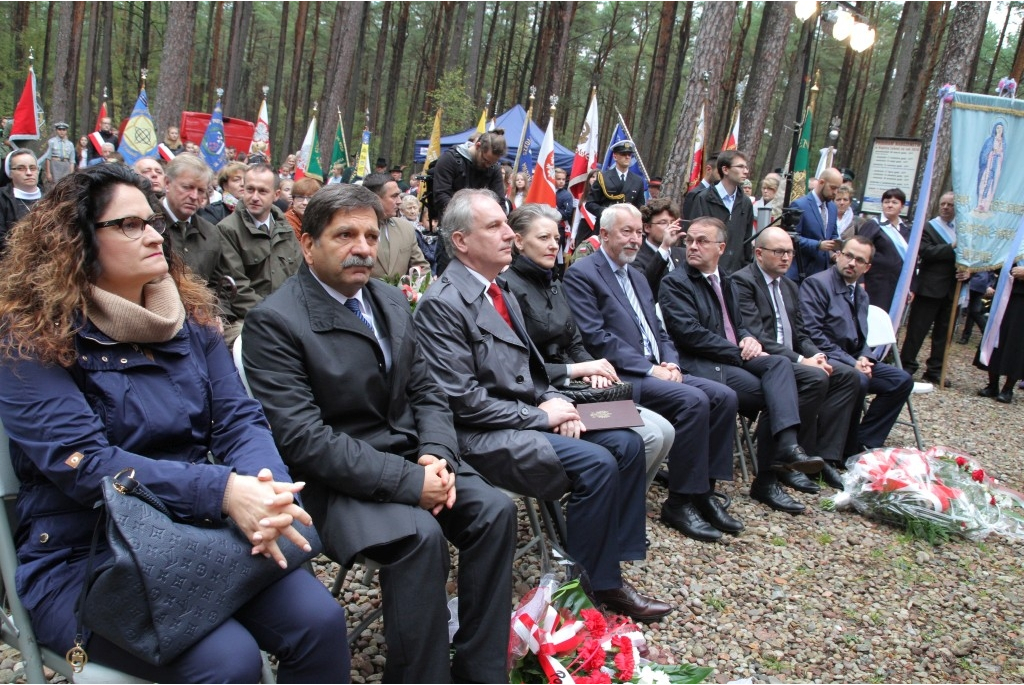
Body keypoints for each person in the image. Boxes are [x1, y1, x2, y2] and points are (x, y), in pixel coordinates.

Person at [0, 164, 348, 683]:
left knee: (320, 622)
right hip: (86, 553)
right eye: (129, 225)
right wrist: (224, 492)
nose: (153, 234)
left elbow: (239, 420)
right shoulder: (30, 337)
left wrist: (267, 492)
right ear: (76, 240)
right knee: (228, 661)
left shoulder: (187, 319)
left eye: (151, 221)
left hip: (200, 531)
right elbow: (85, 465)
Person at [242, 184, 514, 682]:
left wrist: (436, 455)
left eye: (371, 234)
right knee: (420, 537)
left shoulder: (387, 299)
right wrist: (412, 483)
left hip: (413, 457)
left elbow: (427, 391)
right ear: (308, 244)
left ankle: (480, 669)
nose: (363, 247)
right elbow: (303, 439)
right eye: (345, 234)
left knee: (495, 512)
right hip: (335, 483)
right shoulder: (275, 322)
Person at [416, 189, 672, 621]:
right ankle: (589, 589)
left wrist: (555, 399)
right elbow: (458, 400)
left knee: (627, 438)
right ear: (460, 241)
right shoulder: (443, 304)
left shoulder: (498, 290)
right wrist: (541, 416)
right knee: (596, 463)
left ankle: (608, 566)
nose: (507, 235)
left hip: (528, 413)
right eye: (495, 226)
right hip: (484, 434)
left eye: (506, 224)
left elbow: (534, 370)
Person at [563, 203, 742, 542]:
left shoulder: (639, 276)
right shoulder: (584, 273)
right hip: (619, 376)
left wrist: (671, 362)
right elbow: (596, 337)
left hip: (658, 368)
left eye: (638, 232)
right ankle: (678, 502)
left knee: (724, 396)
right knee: (694, 401)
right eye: (625, 232)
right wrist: (650, 368)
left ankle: (703, 491)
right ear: (603, 235)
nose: (635, 239)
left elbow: (659, 330)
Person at [658, 217, 835, 511]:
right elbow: (690, 335)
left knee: (802, 375)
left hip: (734, 357)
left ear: (721, 247)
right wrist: (739, 351)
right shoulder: (676, 282)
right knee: (778, 389)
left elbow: (739, 325)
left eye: (702, 241)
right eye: (689, 240)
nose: (692, 246)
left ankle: (787, 448)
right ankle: (768, 476)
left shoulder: (725, 279)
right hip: (706, 363)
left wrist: (749, 339)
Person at [500, 204, 675, 492]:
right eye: (543, 238)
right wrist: (579, 369)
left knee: (665, 431)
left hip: (576, 388)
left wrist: (595, 371)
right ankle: (607, 510)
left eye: (556, 239)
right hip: (542, 395)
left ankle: (624, 511)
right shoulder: (507, 289)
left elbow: (577, 342)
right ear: (519, 241)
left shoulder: (553, 283)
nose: (552, 246)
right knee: (650, 436)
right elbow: (520, 366)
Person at [731, 227, 859, 484]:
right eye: (779, 252)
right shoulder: (742, 281)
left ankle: (821, 456)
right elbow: (757, 336)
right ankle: (786, 460)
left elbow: (801, 334)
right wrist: (803, 360)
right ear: (759, 253)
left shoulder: (789, 286)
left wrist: (817, 355)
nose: (786, 258)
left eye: (790, 252)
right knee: (815, 378)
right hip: (761, 358)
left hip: (792, 357)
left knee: (848, 376)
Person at [799, 235, 914, 455]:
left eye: (859, 260)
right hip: (824, 359)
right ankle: (844, 449)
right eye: (848, 255)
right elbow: (812, 335)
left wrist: (865, 357)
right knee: (858, 379)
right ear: (838, 255)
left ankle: (865, 441)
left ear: (867, 267)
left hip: (853, 359)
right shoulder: (817, 284)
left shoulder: (860, 293)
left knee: (900, 381)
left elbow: (863, 336)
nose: (851, 263)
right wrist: (853, 363)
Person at [218, 164, 303, 344]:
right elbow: (237, 289)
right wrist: (274, 315)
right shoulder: (228, 230)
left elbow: (301, 275)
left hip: (289, 312)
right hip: (248, 316)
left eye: (263, 191)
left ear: (276, 195)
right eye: (250, 190)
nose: (254, 197)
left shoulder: (285, 228)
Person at [429, 129, 507, 274]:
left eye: (492, 163)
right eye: (485, 160)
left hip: (483, 236)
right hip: (452, 233)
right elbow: (441, 197)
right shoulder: (450, 160)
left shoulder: (494, 168)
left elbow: (499, 202)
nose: (487, 166)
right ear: (477, 145)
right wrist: (469, 219)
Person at [901, 191, 957, 386]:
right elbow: (925, 251)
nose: (946, 207)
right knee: (917, 330)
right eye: (943, 204)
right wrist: (951, 248)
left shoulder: (962, 230)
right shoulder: (930, 228)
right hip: (929, 287)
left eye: (950, 204)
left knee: (943, 332)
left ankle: (935, 369)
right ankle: (907, 365)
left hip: (952, 288)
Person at [160, 154, 226, 299]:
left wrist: (216, 315)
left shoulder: (211, 233)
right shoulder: (146, 225)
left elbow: (220, 285)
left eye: (201, 190)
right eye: (187, 187)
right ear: (167, 183)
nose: (194, 196)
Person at [688, 150, 754, 275]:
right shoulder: (703, 198)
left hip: (736, 274)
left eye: (746, 167)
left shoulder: (746, 203)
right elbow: (695, 237)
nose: (746, 171)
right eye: (740, 167)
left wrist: (745, 268)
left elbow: (747, 241)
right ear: (725, 170)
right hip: (707, 273)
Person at [362, 173, 430, 280]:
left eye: (399, 195)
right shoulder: (355, 231)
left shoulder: (406, 228)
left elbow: (421, 268)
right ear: (374, 198)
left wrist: (415, 291)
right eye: (394, 196)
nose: (399, 201)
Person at [975, 264, 1024, 403]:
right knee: (996, 336)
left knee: (1017, 341)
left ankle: (1008, 388)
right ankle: (992, 385)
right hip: (1005, 290)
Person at [857, 188, 910, 311]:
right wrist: (860, 280)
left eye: (894, 202)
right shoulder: (873, 225)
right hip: (874, 283)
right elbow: (859, 252)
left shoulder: (906, 230)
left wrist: (911, 287)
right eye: (886, 202)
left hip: (897, 284)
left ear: (902, 206)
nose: (890, 205)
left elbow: (911, 260)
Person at [787, 167, 842, 282]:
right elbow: (791, 238)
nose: (835, 193)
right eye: (833, 188)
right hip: (801, 273)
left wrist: (836, 249)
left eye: (838, 189)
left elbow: (833, 234)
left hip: (822, 274)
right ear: (821, 182)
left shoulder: (832, 208)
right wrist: (817, 245)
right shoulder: (800, 205)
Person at [584, 140, 646, 234]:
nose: (627, 157)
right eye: (623, 154)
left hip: (627, 227)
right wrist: (607, 212)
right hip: (606, 225)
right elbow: (590, 203)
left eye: (629, 154)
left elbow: (640, 206)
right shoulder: (603, 177)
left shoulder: (638, 181)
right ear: (615, 156)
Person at [632, 197, 685, 299]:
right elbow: (643, 285)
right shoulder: (635, 255)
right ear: (647, 227)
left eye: (673, 222)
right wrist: (664, 247)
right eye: (663, 222)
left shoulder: (682, 253)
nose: (671, 227)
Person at [0, 149, 42, 252]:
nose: (28, 173)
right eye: (21, 168)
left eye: (32, 168)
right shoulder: (2, 198)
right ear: (10, 173)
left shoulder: (52, 196)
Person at [959, 270, 996, 344]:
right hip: (978, 283)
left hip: (975, 284)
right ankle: (966, 337)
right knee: (972, 312)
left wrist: (988, 285)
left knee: (973, 311)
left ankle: (986, 334)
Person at [976, 121, 1004, 213]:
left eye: (1001, 128)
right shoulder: (990, 140)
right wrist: (992, 153)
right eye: (998, 128)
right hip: (988, 165)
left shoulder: (1003, 142)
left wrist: (999, 154)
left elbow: (1003, 155)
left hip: (997, 165)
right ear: (995, 129)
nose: (999, 130)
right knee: (985, 183)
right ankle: (980, 203)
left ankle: (987, 205)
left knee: (993, 184)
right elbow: (984, 153)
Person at [682, 152, 720, 221]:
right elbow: (689, 222)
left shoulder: (719, 194)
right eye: (720, 171)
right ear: (709, 169)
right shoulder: (694, 194)